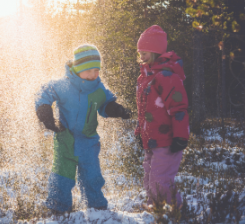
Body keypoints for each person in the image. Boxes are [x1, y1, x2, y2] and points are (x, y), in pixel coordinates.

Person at [35, 44, 131, 214]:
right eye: (89, 70)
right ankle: (58, 208)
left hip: (88, 141)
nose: (93, 74)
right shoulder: (63, 85)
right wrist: (44, 110)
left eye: (97, 70)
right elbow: (44, 92)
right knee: (62, 177)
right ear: (78, 69)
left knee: (92, 175)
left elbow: (106, 103)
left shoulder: (98, 88)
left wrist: (116, 109)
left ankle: (96, 207)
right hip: (65, 139)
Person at [135, 25, 189, 210]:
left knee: (160, 180)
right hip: (151, 139)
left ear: (157, 50)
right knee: (150, 178)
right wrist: (138, 130)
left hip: (167, 139)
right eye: (140, 51)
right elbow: (143, 109)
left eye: (145, 51)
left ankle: (174, 211)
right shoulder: (145, 77)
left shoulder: (166, 76)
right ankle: (155, 208)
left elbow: (179, 108)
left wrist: (181, 136)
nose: (141, 54)